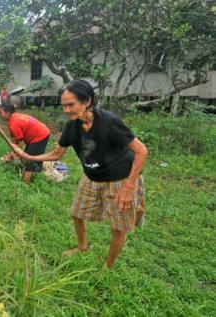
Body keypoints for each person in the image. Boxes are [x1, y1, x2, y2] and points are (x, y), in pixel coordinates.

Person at [10, 79, 147, 268]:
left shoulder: (108, 121)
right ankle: (82, 246)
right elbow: (57, 153)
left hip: (120, 178)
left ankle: (108, 266)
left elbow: (142, 151)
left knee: (118, 227)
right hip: (92, 177)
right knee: (76, 213)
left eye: (71, 105)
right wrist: (26, 156)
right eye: (64, 106)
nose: (66, 110)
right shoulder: (72, 126)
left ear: (87, 101)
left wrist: (128, 187)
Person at [0, 101, 51, 185]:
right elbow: (14, 141)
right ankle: (35, 172)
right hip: (37, 134)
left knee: (31, 159)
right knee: (27, 156)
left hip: (40, 135)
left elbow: (20, 144)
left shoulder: (14, 123)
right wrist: (12, 153)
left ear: (8, 113)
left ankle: (26, 184)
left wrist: (11, 156)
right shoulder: (13, 118)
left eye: (1, 113)